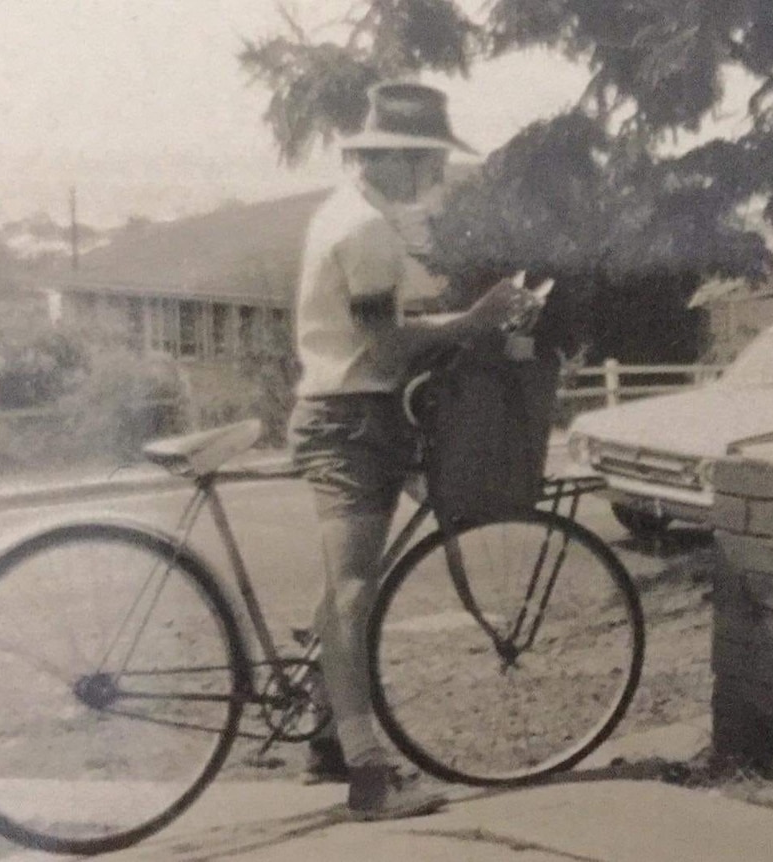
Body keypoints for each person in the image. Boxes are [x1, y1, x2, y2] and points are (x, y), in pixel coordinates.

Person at [288, 80, 538, 821]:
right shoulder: (363, 229)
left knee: (345, 584)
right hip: (351, 420)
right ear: (393, 159)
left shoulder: (358, 217)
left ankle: (327, 736)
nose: (433, 177)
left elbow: (383, 322)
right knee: (354, 593)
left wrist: (457, 317)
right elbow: (386, 342)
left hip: (356, 414)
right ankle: (370, 775)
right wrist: (477, 319)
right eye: (427, 163)